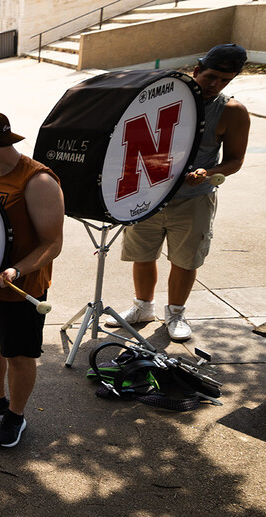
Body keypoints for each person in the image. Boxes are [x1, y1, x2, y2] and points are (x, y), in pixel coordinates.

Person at [107, 44, 251, 342]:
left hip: (193, 198)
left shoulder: (231, 111)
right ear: (196, 69)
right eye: (211, 76)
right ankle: (143, 307)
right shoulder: (164, 95)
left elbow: (235, 160)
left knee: (185, 260)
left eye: (225, 80)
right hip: (145, 194)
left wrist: (207, 173)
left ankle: (175, 313)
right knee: (142, 255)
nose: (216, 85)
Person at [0, 111, 65, 448]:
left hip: (21, 288)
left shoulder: (38, 181)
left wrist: (16, 270)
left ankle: (15, 416)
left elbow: (53, 243)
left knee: (18, 356)